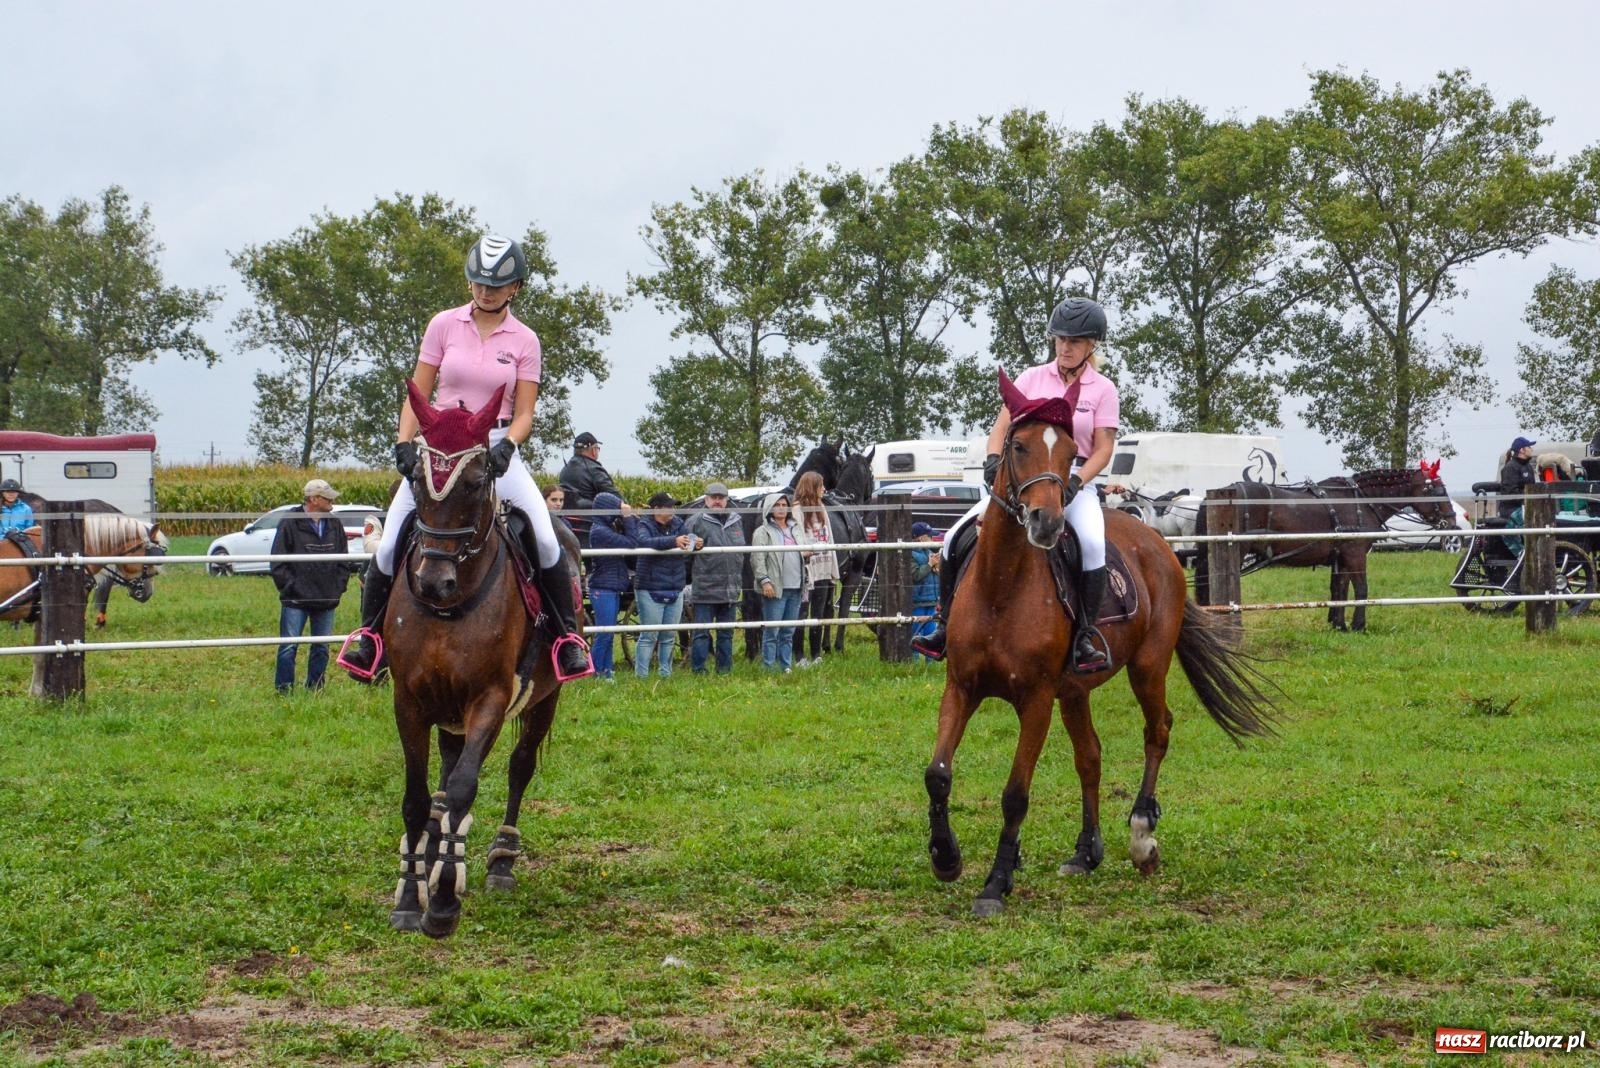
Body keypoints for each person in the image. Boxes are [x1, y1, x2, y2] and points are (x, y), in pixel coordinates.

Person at [339, 234, 592, 682]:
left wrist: (508, 446)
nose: (485, 291)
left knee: (548, 540)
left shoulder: (525, 340)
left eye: (496, 284)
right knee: (390, 540)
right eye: (478, 282)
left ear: (515, 287)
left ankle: (566, 640)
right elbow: (416, 392)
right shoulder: (442, 325)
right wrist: (403, 442)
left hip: (493, 449)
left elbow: (526, 410)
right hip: (439, 451)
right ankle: (370, 640)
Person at [912, 296, 1119, 673]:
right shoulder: (1031, 378)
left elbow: (1103, 448)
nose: (1065, 347)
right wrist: (993, 461)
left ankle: (1084, 637)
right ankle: (943, 627)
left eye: (1074, 341)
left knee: (1090, 544)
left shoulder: (1102, 389)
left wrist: (1077, 481)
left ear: (1092, 345)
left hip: (1073, 484)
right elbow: (1001, 428)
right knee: (954, 537)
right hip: (1020, 484)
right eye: (1060, 339)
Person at [271, 479, 358, 693]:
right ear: (314, 499)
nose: (332, 501)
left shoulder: (334, 524)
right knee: (289, 647)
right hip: (295, 600)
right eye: (327, 497)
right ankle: (284, 690)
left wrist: (338, 587)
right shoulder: (290, 522)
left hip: (326, 597)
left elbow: (343, 560)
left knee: (321, 646)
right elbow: (277, 561)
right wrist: (291, 588)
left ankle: (315, 689)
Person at [630, 491, 697, 679]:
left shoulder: (677, 523)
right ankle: (641, 676)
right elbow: (643, 541)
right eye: (669, 506)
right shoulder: (644, 524)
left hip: (675, 585)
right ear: (656, 509)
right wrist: (673, 541)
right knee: (649, 635)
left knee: (669, 634)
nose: (673, 510)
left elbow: (687, 543)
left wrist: (696, 543)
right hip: (649, 586)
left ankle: (665, 674)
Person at [684, 482, 744, 675]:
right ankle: (699, 670)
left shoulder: (737, 521)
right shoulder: (695, 521)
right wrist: (695, 545)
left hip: (730, 588)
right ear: (706, 499)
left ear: (727, 500)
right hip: (705, 588)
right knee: (702, 633)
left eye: (721, 498)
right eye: (714, 497)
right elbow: (685, 549)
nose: (717, 501)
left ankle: (724, 670)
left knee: (726, 633)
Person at [751, 491, 808, 672]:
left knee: (788, 631)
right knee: (772, 631)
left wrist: (810, 552)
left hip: (796, 586)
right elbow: (757, 558)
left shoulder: (796, 528)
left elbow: (803, 551)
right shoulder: (762, 532)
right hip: (775, 587)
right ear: (770, 508)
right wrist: (765, 581)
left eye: (784, 505)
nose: (781, 509)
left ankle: (785, 666)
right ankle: (768, 667)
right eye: (777, 505)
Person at [585, 491, 635, 681]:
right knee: (603, 633)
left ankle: (606, 670)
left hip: (611, 585)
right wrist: (628, 518)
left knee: (609, 631)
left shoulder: (606, 528)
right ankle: (597, 671)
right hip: (603, 587)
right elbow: (632, 543)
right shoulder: (600, 531)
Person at [791, 470, 838, 667]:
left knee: (819, 612)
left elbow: (829, 537)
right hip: (807, 569)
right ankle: (799, 655)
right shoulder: (797, 510)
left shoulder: (821, 507)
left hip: (824, 567)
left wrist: (833, 567)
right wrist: (806, 553)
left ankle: (816, 653)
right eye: (821, 486)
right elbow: (798, 535)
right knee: (802, 613)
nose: (824, 490)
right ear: (812, 487)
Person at [909, 522, 941, 660]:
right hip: (918, 601)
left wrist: (936, 570)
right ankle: (914, 661)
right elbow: (915, 576)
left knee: (931, 633)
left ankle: (930, 661)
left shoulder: (929, 553)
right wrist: (929, 565)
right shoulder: (911, 554)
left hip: (931, 600)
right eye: (930, 537)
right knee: (916, 632)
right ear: (921, 538)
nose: (932, 540)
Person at [0, 479, 34, 550]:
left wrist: (18, 537)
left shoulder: (26, 509)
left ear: (18, 493)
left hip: (20, 544)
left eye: (14, 491)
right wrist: (5, 538)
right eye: (8, 491)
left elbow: (29, 530)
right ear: (2, 493)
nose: (11, 494)